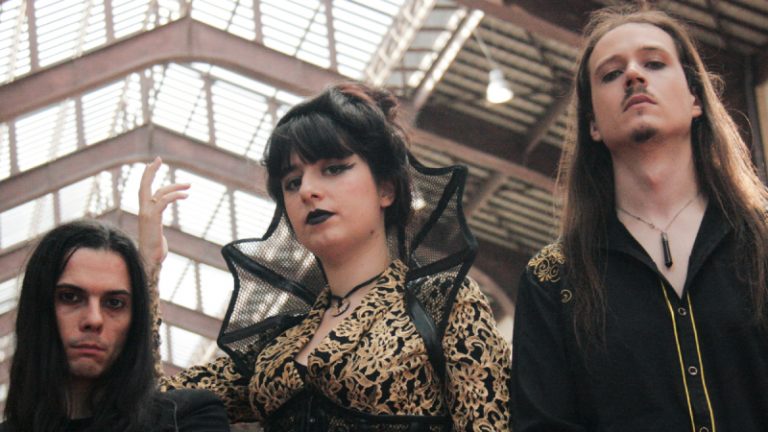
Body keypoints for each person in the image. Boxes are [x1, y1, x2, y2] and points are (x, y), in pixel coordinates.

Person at [139, 83, 512, 430]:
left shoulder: (442, 303)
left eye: (334, 169)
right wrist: (147, 268)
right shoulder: (277, 345)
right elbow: (152, 402)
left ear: (386, 189)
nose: (307, 191)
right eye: (292, 182)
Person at [511, 5, 768, 432]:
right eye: (611, 74)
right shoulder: (552, 281)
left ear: (695, 99)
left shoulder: (762, 237)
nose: (633, 75)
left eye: (654, 63)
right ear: (592, 124)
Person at [2, 220, 231, 432]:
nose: (94, 319)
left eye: (114, 303)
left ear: (135, 320)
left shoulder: (187, 419)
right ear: (38, 308)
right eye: (70, 297)